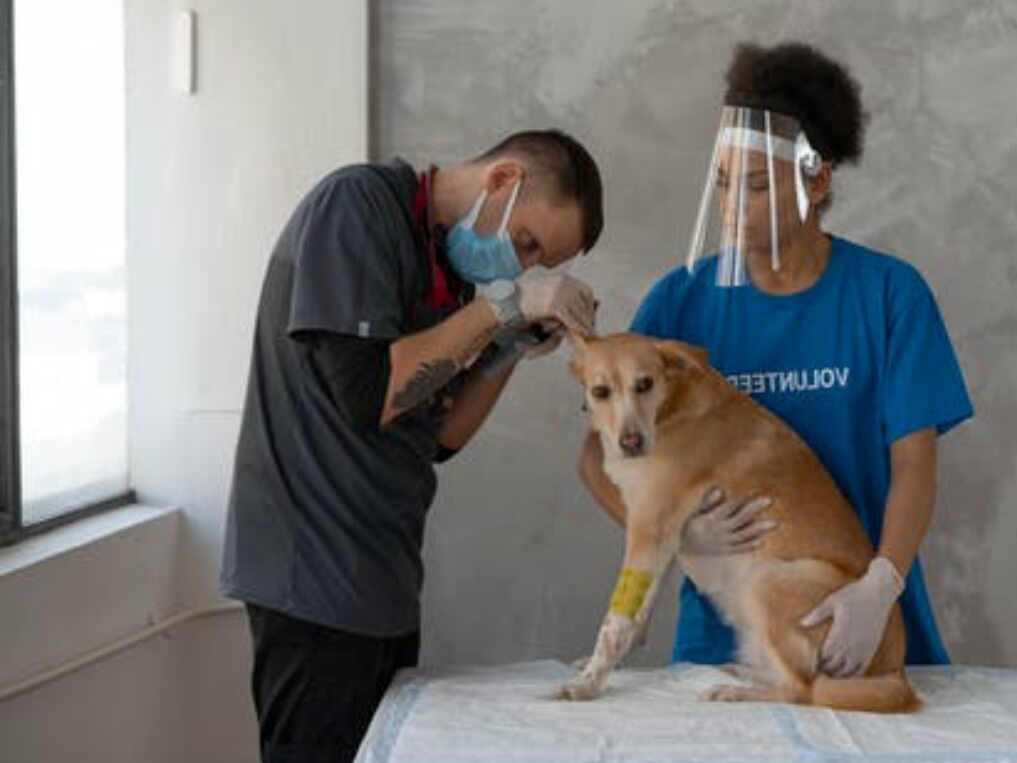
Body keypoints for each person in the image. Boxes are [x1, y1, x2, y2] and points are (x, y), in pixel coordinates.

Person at [580, 42, 972, 678]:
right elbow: (599, 457)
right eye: (724, 183)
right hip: (728, 648)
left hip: (859, 625)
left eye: (757, 185)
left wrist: (880, 586)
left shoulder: (889, 295)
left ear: (816, 181)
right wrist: (676, 535)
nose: (733, 204)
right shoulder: (680, 301)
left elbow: (914, 468)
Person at [220, 129, 604, 763]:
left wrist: (511, 344)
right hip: (311, 581)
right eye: (528, 242)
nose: (522, 266)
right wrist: (503, 305)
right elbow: (371, 395)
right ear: (503, 180)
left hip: (383, 584)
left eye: (538, 265)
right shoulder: (356, 207)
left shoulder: (448, 273)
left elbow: (442, 437)